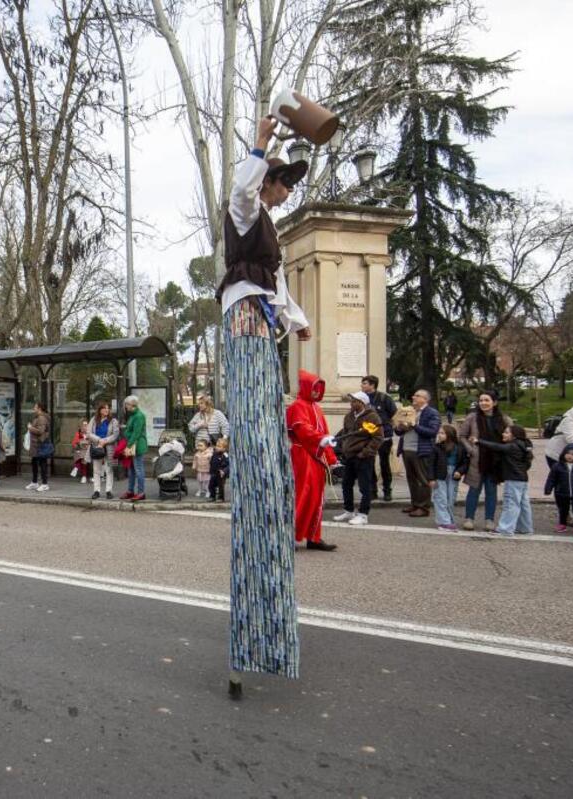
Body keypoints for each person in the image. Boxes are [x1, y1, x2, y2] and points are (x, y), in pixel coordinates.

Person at [217, 114, 311, 686]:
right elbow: (241, 191)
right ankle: (252, 635)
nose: (286, 191)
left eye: (287, 185)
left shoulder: (269, 233)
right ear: (269, 180)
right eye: (283, 183)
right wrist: (260, 143)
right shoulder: (248, 213)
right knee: (255, 452)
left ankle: (268, 630)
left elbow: (279, 288)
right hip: (244, 320)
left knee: (271, 461)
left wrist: (297, 323)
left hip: (262, 322)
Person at [287, 370, 339, 549]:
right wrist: (320, 440)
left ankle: (313, 536)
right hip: (302, 456)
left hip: (315, 457)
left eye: (319, 389)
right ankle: (292, 535)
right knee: (302, 494)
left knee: (317, 497)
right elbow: (302, 429)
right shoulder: (297, 406)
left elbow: (324, 433)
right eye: (314, 388)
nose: (317, 392)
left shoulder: (316, 408)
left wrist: (331, 458)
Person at [456, 391, 510, 532]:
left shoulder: (503, 419)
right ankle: (469, 518)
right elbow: (462, 436)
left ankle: (489, 520)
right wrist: (471, 449)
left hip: (495, 461)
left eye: (487, 400)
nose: (483, 403)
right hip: (476, 460)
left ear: (494, 402)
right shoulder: (472, 417)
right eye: (481, 400)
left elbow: (513, 435)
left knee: (491, 491)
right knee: (474, 490)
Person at [332, 391, 383, 527]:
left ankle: (363, 514)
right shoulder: (349, 416)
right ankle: (348, 510)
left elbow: (377, 438)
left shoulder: (372, 417)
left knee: (364, 486)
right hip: (349, 456)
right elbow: (345, 433)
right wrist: (342, 447)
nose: (351, 403)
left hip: (363, 457)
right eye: (351, 400)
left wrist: (365, 452)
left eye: (354, 401)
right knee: (346, 484)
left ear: (362, 403)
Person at [475, 425, 535, 536]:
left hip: (513, 479)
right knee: (523, 504)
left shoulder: (512, 446)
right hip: (522, 479)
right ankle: (525, 527)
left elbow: (496, 447)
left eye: (506, 432)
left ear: (514, 435)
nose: (503, 434)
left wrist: (479, 441)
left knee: (510, 503)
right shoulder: (523, 445)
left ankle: (505, 529)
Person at [395, 389, 441, 518]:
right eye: (414, 395)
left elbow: (432, 432)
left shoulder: (432, 413)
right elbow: (398, 432)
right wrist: (399, 427)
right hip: (406, 449)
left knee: (422, 480)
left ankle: (423, 507)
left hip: (421, 450)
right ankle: (415, 504)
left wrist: (414, 425)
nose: (413, 397)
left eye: (417, 396)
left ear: (425, 400)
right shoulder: (410, 411)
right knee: (411, 480)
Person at [361, 376, 398, 502]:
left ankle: (387, 491)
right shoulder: (362, 399)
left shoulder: (384, 398)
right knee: (369, 463)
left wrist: (390, 427)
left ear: (373, 385)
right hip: (368, 437)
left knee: (384, 463)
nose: (362, 386)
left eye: (365, 383)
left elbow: (395, 414)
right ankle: (373, 490)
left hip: (384, 436)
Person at [428, 424, 469, 531]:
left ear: (449, 435)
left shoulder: (460, 447)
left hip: (453, 475)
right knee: (440, 498)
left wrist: (460, 471)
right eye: (439, 433)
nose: (439, 435)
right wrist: (431, 478)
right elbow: (431, 464)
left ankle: (449, 520)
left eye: (442, 433)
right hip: (440, 475)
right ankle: (443, 522)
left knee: (450, 499)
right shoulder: (436, 447)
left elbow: (465, 462)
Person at [86, 402, 119, 500]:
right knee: (96, 470)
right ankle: (96, 491)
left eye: (108, 408)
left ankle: (109, 491)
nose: (106, 410)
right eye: (104, 408)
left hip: (109, 448)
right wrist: (98, 440)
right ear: (100, 410)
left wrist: (105, 441)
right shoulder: (94, 419)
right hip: (97, 447)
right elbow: (88, 433)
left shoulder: (113, 421)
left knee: (109, 470)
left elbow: (115, 435)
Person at [121, 395, 148, 501]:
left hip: (137, 446)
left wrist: (127, 447)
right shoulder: (133, 415)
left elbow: (136, 433)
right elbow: (132, 429)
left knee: (138, 469)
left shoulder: (139, 416)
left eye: (126, 404)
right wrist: (126, 428)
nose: (125, 407)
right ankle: (130, 491)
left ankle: (141, 493)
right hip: (133, 445)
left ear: (132, 404)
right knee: (131, 470)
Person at [26, 402, 53, 492]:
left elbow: (41, 431)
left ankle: (45, 484)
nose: (34, 408)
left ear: (40, 408)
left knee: (42, 463)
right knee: (34, 463)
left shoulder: (42, 418)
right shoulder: (38, 417)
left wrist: (30, 428)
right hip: (36, 444)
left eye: (35, 407)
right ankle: (34, 482)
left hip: (39, 444)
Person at [208, 437, 229, 502]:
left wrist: (224, 471)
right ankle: (212, 496)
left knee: (220, 486)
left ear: (224, 448)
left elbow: (229, 465)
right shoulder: (215, 453)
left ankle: (221, 498)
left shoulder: (225, 455)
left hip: (221, 473)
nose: (217, 447)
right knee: (211, 485)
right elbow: (212, 462)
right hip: (214, 472)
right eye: (217, 446)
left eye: (219, 446)